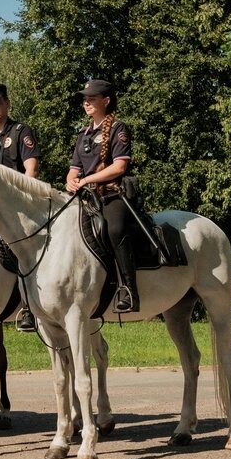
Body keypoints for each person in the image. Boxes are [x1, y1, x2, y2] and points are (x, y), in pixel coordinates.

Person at [65, 79, 139, 312]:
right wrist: (71, 181)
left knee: (114, 229)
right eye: (85, 99)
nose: (86, 102)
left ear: (106, 101)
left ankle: (129, 290)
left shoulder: (118, 129)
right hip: (85, 197)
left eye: (92, 98)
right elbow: (73, 170)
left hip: (112, 195)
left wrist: (86, 180)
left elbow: (119, 167)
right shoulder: (83, 134)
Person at [0, 83, 42, 331]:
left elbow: (31, 171)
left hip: (18, 210)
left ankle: (28, 308)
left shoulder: (21, 132)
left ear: (7, 104)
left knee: (21, 252)